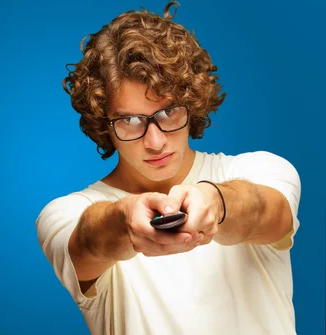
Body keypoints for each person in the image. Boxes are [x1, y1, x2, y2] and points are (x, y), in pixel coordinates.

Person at [35, 2, 301, 335]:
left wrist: (216, 203)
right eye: (130, 120)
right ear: (103, 124)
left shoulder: (264, 169)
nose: (156, 141)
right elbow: (89, 243)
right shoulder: (64, 214)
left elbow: (263, 210)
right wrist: (124, 220)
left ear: (193, 103)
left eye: (168, 112)